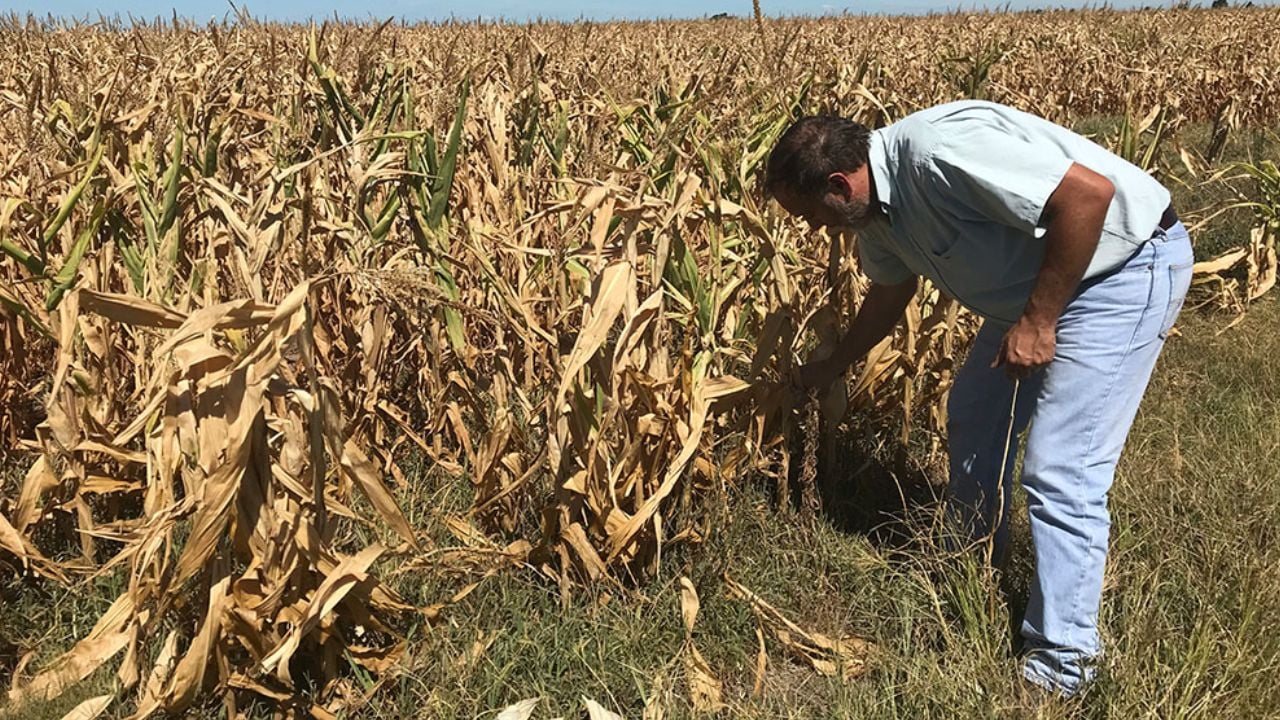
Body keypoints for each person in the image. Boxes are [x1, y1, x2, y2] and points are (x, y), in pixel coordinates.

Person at [763, 100, 1194, 696]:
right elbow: (890, 295)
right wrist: (831, 366)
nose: (814, 228)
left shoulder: (938, 154)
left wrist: (1040, 321)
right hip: (1034, 288)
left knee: (1062, 468)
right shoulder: (875, 215)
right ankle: (969, 570)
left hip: (1116, 271)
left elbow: (1087, 197)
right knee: (972, 416)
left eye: (809, 213)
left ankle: (1062, 664)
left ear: (840, 184)